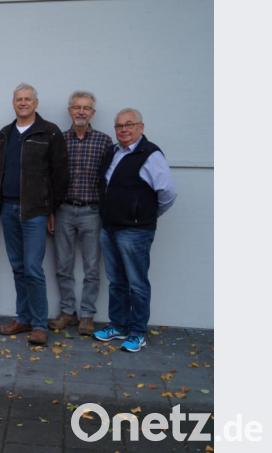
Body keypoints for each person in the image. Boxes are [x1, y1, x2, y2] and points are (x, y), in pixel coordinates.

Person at [93, 108, 176, 353]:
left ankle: (138, 332)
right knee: (116, 281)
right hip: (110, 227)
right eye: (119, 126)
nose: (124, 130)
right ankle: (117, 325)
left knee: (137, 283)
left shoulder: (150, 155)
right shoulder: (113, 152)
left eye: (129, 125)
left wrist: (145, 216)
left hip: (135, 231)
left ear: (141, 127)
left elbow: (168, 193)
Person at [0, 83, 68, 346]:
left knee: (33, 269)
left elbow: (60, 175)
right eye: (19, 99)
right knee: (17, 267)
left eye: (28, 99)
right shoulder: (5, 133)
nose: (23, 103)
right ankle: (23, 318)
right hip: (8, 209)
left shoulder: (49, 132)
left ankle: (39, 324)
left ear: (36, 103)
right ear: (13, 103)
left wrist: (51, 209)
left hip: (35, 212)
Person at [49, 91, 113, 336]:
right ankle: (67, 312)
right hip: (64, 209)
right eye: (76, 107)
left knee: (92, 267)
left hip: (92, 212)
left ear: (93, 113)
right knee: (63, 265)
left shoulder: (104, 141)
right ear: (69, 111)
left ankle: (87, 315)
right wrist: (51, 211)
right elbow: (51, 178)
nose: (81, 112)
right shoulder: (60, 140)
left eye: (86, 108)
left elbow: (109, 179)